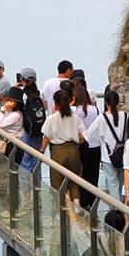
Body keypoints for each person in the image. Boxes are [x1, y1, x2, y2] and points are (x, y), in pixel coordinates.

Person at [41, 87, 85, 227]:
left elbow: (46, 138)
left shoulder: (52, 119)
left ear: (56, 103)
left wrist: (41, 151)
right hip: (73, 150)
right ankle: (77, 207)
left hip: (58, 151)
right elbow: (82, 135)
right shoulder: (75, 117)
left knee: (58, 183)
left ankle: (61, 212)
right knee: (74, 180)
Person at [85, 87, 128, 203]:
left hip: (108, 157)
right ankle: (121, 207)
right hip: (124, 155)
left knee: (112, 184)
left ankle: (117, 210)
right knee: (120, 184)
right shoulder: (125, 115)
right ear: (118, 102)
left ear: (106, 102)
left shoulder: (102, 118)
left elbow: (88, 136)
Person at [70, 81, 101, 209]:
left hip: (82, 145)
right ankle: (93, 202)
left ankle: (84, 202)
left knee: (82, 175)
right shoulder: (96, 109)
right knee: (94, 176)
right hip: (96, 146)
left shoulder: (75, 111)